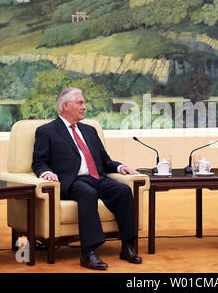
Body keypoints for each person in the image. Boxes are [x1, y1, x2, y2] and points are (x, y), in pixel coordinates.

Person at [32, 87, 142, 270]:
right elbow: (38, 162)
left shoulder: (90, 130)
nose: (84, 106)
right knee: (88, 193)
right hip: (71, 181)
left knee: (123, 190)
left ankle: (127, 246)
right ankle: (88, 253)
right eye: (80, 103)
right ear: (66, 105)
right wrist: (46, 173)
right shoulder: (47, 131)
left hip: (96, 177)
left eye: (83, 103)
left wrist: (120, 167)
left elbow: (105, 160)